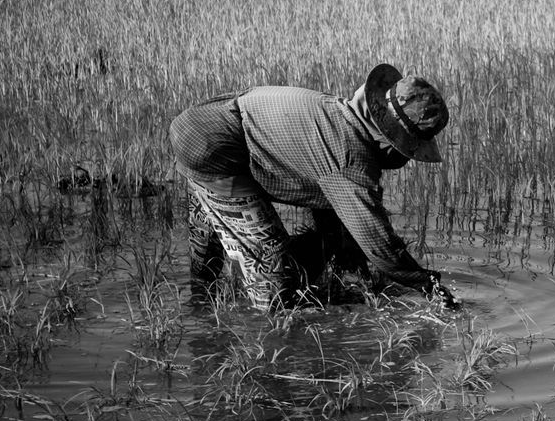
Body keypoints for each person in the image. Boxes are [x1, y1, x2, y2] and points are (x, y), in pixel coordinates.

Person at [169, 63, 457, 311]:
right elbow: (377, 242)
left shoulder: (340, 114)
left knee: (214, 243)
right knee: (274, 269)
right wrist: (427, 283)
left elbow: (335, 214)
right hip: (215, 149)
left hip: (201, 124)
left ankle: (201, 305)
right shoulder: (349, 157)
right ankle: (268, 337)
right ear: (391, 139)